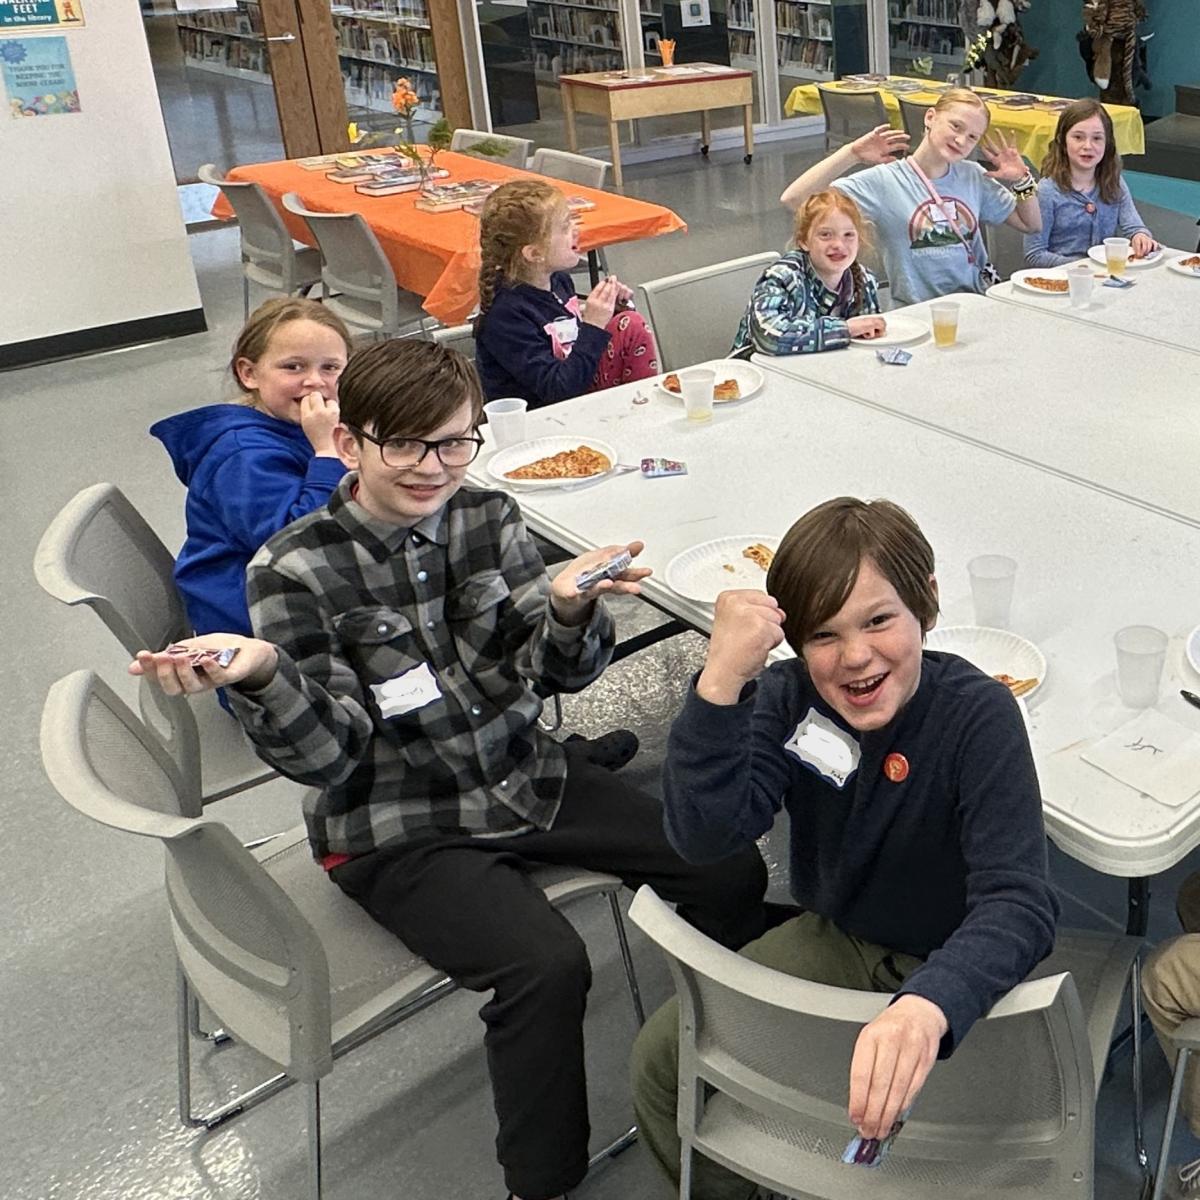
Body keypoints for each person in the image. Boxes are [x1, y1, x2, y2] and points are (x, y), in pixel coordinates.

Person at [131, 338, 768, 1200]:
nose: (434, 468)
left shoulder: (489, 516)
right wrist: (264, 675)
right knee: (544, 968)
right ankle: (541, 1183)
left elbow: (554, 676)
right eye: (406, 445)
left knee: (726, 862)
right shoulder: (294, 567)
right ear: (348, 444)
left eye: (455, 442)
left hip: (521, 772)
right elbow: (328, 757)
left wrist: (569, 607)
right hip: (397, 824)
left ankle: (740, 1061)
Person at [631, 496, 1059, 1200]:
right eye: (823, 635)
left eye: (880, 620)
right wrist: (719, 685)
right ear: (793, 640)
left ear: (926, 604)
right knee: (660, 1061)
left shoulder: (978, 714)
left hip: (959, 963)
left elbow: (1018, 902)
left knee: (945, 1142)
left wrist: (930, 1005)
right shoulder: (789, 696)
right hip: (842, 936)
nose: (856, 656)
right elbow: (705, 834)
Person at [151, 297, 351, 639]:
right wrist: (327, 451)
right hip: (254, 622)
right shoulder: (240, 454)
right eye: (294, 367)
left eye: (330, 368)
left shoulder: (300, 424)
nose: (315, 381)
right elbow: (297, 540)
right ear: (249, 373)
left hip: (288, 590)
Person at [780, 89, 1042, 306]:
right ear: (930, 117)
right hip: (918, 312)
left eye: (972, 137)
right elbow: (794, 199)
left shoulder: (973, 175)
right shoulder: (885, 181)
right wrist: (852, 154)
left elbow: (1030, 224)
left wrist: (1022, 180)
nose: (961, 140)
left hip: (977, 303)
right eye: (955, 126)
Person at [473, 180, 659, 407]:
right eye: (564, 227)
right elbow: (558, 390)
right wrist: (593, 325)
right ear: (534, 253)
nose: (576, 231)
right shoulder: (506, 315)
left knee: (630, 324)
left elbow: (571, 340)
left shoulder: (558, 280)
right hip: (542, 419)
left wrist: (612, 308)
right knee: (630, 325)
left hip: (576, 391)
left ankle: (641, 408)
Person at [731, 189, 886, 358]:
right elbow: (768, 338)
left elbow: (869, 341)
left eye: (848, 235)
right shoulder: (783, 277)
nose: (838, 244)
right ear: (804, 241)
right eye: (825, 235)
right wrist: (845, 329)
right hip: (760, 372)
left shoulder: (864, 280)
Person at [1024, 98, 1158, 268]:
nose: (1088, 146)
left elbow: (1134, 226)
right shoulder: (1047, 191)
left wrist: (1141, 236)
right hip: (1064, 280)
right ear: (1063, 141)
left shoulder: (1113, 181)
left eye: (1097, 138)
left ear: (1107, 143)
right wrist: (1085, 267)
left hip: (1105, 278)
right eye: (1078, 137)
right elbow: (1034, 254)